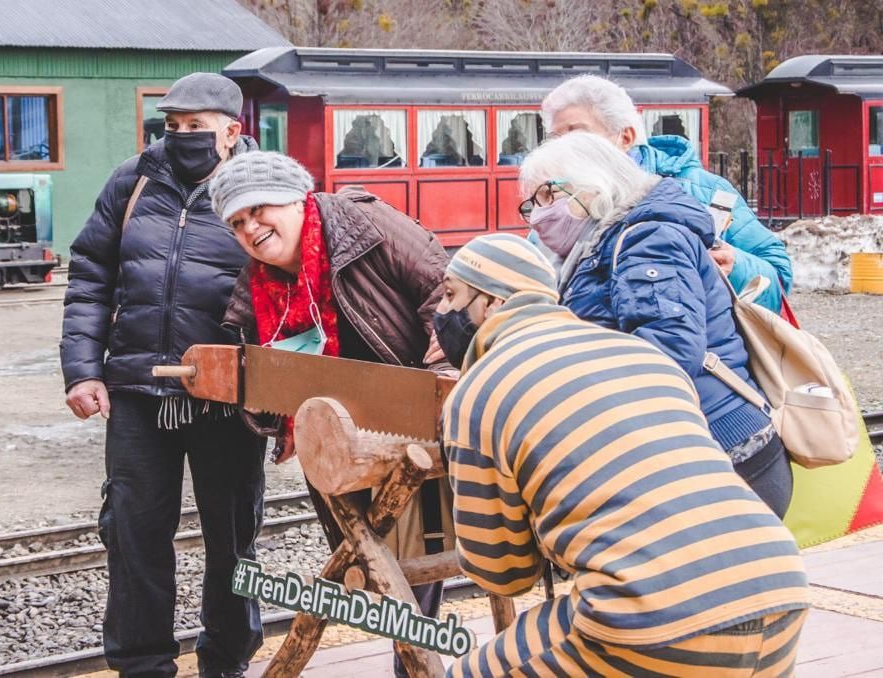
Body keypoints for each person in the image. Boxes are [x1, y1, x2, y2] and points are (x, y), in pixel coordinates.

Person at [435, 233, 810, 677]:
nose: (441, 313)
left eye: (450, 295)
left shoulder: (478, 392)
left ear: (491, 304)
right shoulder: (641, 354)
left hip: (649, 611)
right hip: (779, 582)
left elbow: (504, 575)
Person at [211, 151, 455, 678]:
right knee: (368, 563)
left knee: (410, 561)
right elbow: (261, 382)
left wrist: (447, 350)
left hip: (406, 420)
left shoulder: (364, 223)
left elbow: (443, 284)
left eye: (259, 210)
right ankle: (414, 659)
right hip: (334, 441)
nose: (251, 228)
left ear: (297, 199)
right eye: (237, 222)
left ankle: (413, 667)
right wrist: (266, 413)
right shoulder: (254, 288)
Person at [60, 73, 266, 678]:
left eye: (195, 127)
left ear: (232, 131)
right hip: (136, 390)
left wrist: (281, 400)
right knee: (132, 538)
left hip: (227, 395)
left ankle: (225, 662)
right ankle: (143, 665)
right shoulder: (133, 180)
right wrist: (81, 370)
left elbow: (292, 289)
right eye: (172, 126)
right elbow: (89, 276)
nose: (180, 137)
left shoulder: (259, 189)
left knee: (233, 543)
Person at [519, 132, 793, 518]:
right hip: (686, 448)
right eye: (531, 204)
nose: (539, 213)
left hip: (718, 456)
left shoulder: (647, 238)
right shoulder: (603, 244)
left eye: (547, 195)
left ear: (594, 185)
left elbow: (670, 352)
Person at [539, 73, 793, 313]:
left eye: (577, 134)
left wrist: (736, 266)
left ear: (625, 137)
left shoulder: (704, 191)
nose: (565, 149)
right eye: (555, 139)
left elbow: (779, 278)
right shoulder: (556, 200)